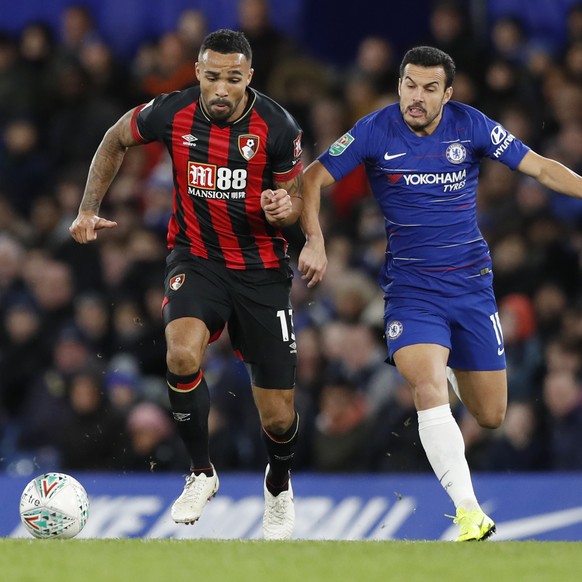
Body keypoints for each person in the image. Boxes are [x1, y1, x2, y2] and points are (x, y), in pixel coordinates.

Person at [301, 45, 582, 541]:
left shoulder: (470, 124)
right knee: (426, 387)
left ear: (447, 94)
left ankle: (450, 360)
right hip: (412, 290)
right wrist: (316, 239)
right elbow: (313, 177)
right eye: (410, 84)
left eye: (430, 88)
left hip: (471, 287)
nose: (417, 96)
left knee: (491, 415)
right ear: (400, 85)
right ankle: (469, 512)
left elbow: (538, 167)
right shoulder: (373, 130)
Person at [69, 29, 320, 540]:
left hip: (261, 269)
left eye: (232, 78)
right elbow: (116, 137)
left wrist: (286, 211)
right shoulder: (172, 112)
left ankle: (278, 484)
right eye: (211, 77)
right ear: (198, 74)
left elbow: (296, 198)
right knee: (181, 355)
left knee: (277, 417)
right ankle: (201, 471)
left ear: (248, 76)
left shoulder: (276, 125)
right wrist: (88, 209)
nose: (221, 89)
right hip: (197, 259)